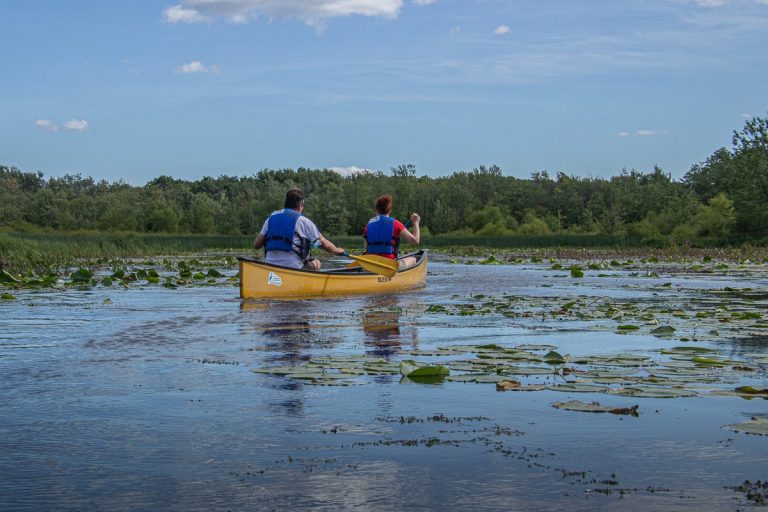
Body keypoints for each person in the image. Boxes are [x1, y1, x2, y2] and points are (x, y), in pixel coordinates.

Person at [253, 188, 345, 270]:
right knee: (317, 263)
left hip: (270, 267)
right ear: (301, 205)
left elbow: (256, 245)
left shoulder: (270, 219)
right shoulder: (303, 221)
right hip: (294, 268)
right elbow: (323, 243)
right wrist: (337, 250)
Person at [362, 194, 420, 269]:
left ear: (376, 210)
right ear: (390, 210)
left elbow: (366, 248)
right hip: (389, 266)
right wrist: (416, 223)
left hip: (370, 264)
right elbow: (415, 241)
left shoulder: (368, 225)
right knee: (414, 259)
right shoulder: (396, 224)